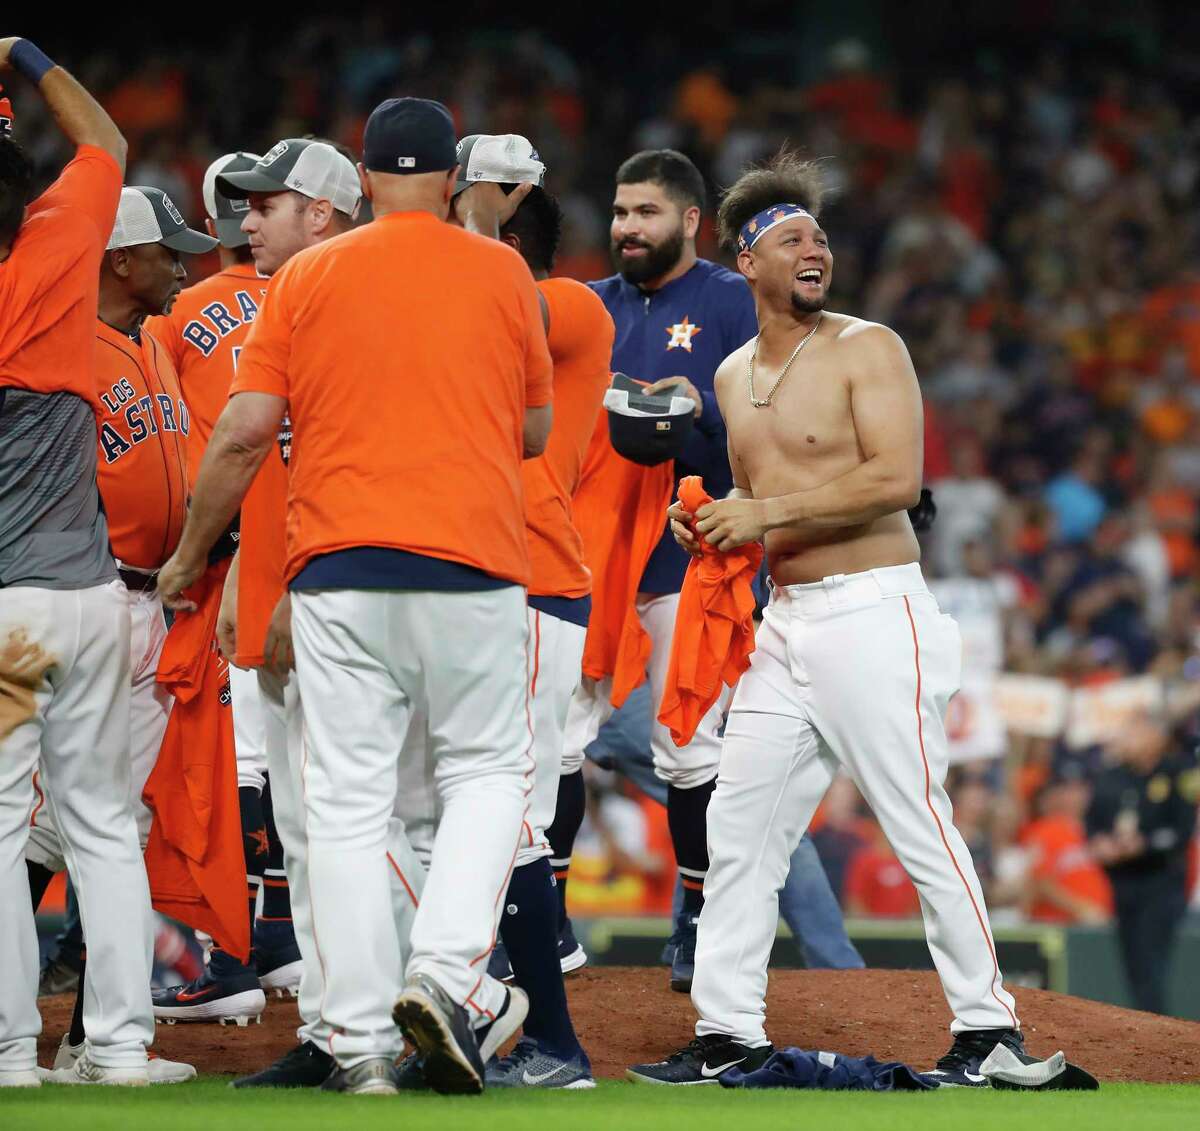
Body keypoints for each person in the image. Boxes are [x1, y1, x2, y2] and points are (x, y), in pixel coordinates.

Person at [156, 99, 553, 1096]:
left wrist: (191, 554)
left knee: (340, 809)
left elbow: (247, 431)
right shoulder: (503, 271)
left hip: (338, 571)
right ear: (452, 179)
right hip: (472, 565)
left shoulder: (308, 276)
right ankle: (446, 974)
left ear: (363, 180)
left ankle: (360, 1043)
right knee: (483, 777)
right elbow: (536, 432)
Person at [628, 152, 1023, 1088]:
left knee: (917, 819)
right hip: (789, 622)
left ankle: (989, 1028)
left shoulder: (867, 345)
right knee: (738, 826)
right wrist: (714, 524)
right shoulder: (729, 376)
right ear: (748, 262)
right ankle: (727, 1030)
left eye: (821, 237)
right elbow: (763, 504)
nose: (816, 249)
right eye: (792, 237)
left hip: (877, 612)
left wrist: (758, 514)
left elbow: (894, 481)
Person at [393, 133, 613, 1090]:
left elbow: (507, 308)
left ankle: (554, 1041)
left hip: (535, 576)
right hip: (465, 572)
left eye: (466, 199)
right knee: (425, 813)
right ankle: (465, 1015)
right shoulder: (463, 298)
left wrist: (473, 220)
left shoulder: (564, 303)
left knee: (510, 809)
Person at [553, 149, 759, 993]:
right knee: (556, 733)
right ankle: (544, 914)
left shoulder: (730, 300)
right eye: (620, 210)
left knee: (690, 743)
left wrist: (696, 410)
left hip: (692, 548)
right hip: (594, 556)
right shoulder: (589, 309)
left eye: (646, 211)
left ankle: (700, 917)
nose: (627, 227)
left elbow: (768, 418)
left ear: (689, 220)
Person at [25, 183, 213, 1083]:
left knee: (108, 821)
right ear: (119, 261)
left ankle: (87, 1041)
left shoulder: (150, 343)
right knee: (48, 824)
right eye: (166, 250)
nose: (182, 263)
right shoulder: (58, 347)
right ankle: (68, 1035)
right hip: (78, 599)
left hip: (147, 611)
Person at [0, 35, 155, 1089]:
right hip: (94, 600)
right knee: (101, 822)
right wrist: (22, 52)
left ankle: (11, 1052)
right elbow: (105, 136)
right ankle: (122, 1047)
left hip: (6, 614)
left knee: (5, 827)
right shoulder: (58, 235)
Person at [143, 152, 303, 1014]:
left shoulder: (180, 314)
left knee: (219, 755)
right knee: (284, 755)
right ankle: (276, 928)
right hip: (303, 535)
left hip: (213, 552)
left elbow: (175, 436)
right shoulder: (316, 295)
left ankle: (220, 945)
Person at [1087, 712, 1198, 1014]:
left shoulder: (1178, 773)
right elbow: (1092, 820)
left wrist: (1144, 844)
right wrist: (1100, 842)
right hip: (1123, 883)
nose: (1125, 739)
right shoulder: (1112, 776)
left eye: (1134, 732)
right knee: (1132, 962)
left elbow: (1182, 831)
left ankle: (1154, 1027)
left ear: (1155, 738)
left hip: (1162, 883)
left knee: (1152, 962)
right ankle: (1143, 1025)